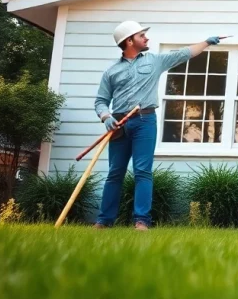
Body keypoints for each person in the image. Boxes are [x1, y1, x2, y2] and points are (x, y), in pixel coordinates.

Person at [94, 22, 224, 230]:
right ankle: (104, 220)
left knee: (142, 171)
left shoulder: (154, 61)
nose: (146, 38)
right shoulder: (111, 71)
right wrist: (105, 117)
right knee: (115, 173)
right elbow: (101, 101)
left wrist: (207, 42)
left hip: (144, 121)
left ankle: (141, 221)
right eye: (141, 35)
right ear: (129, 41)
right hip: (118, 125)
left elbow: (183, 54)